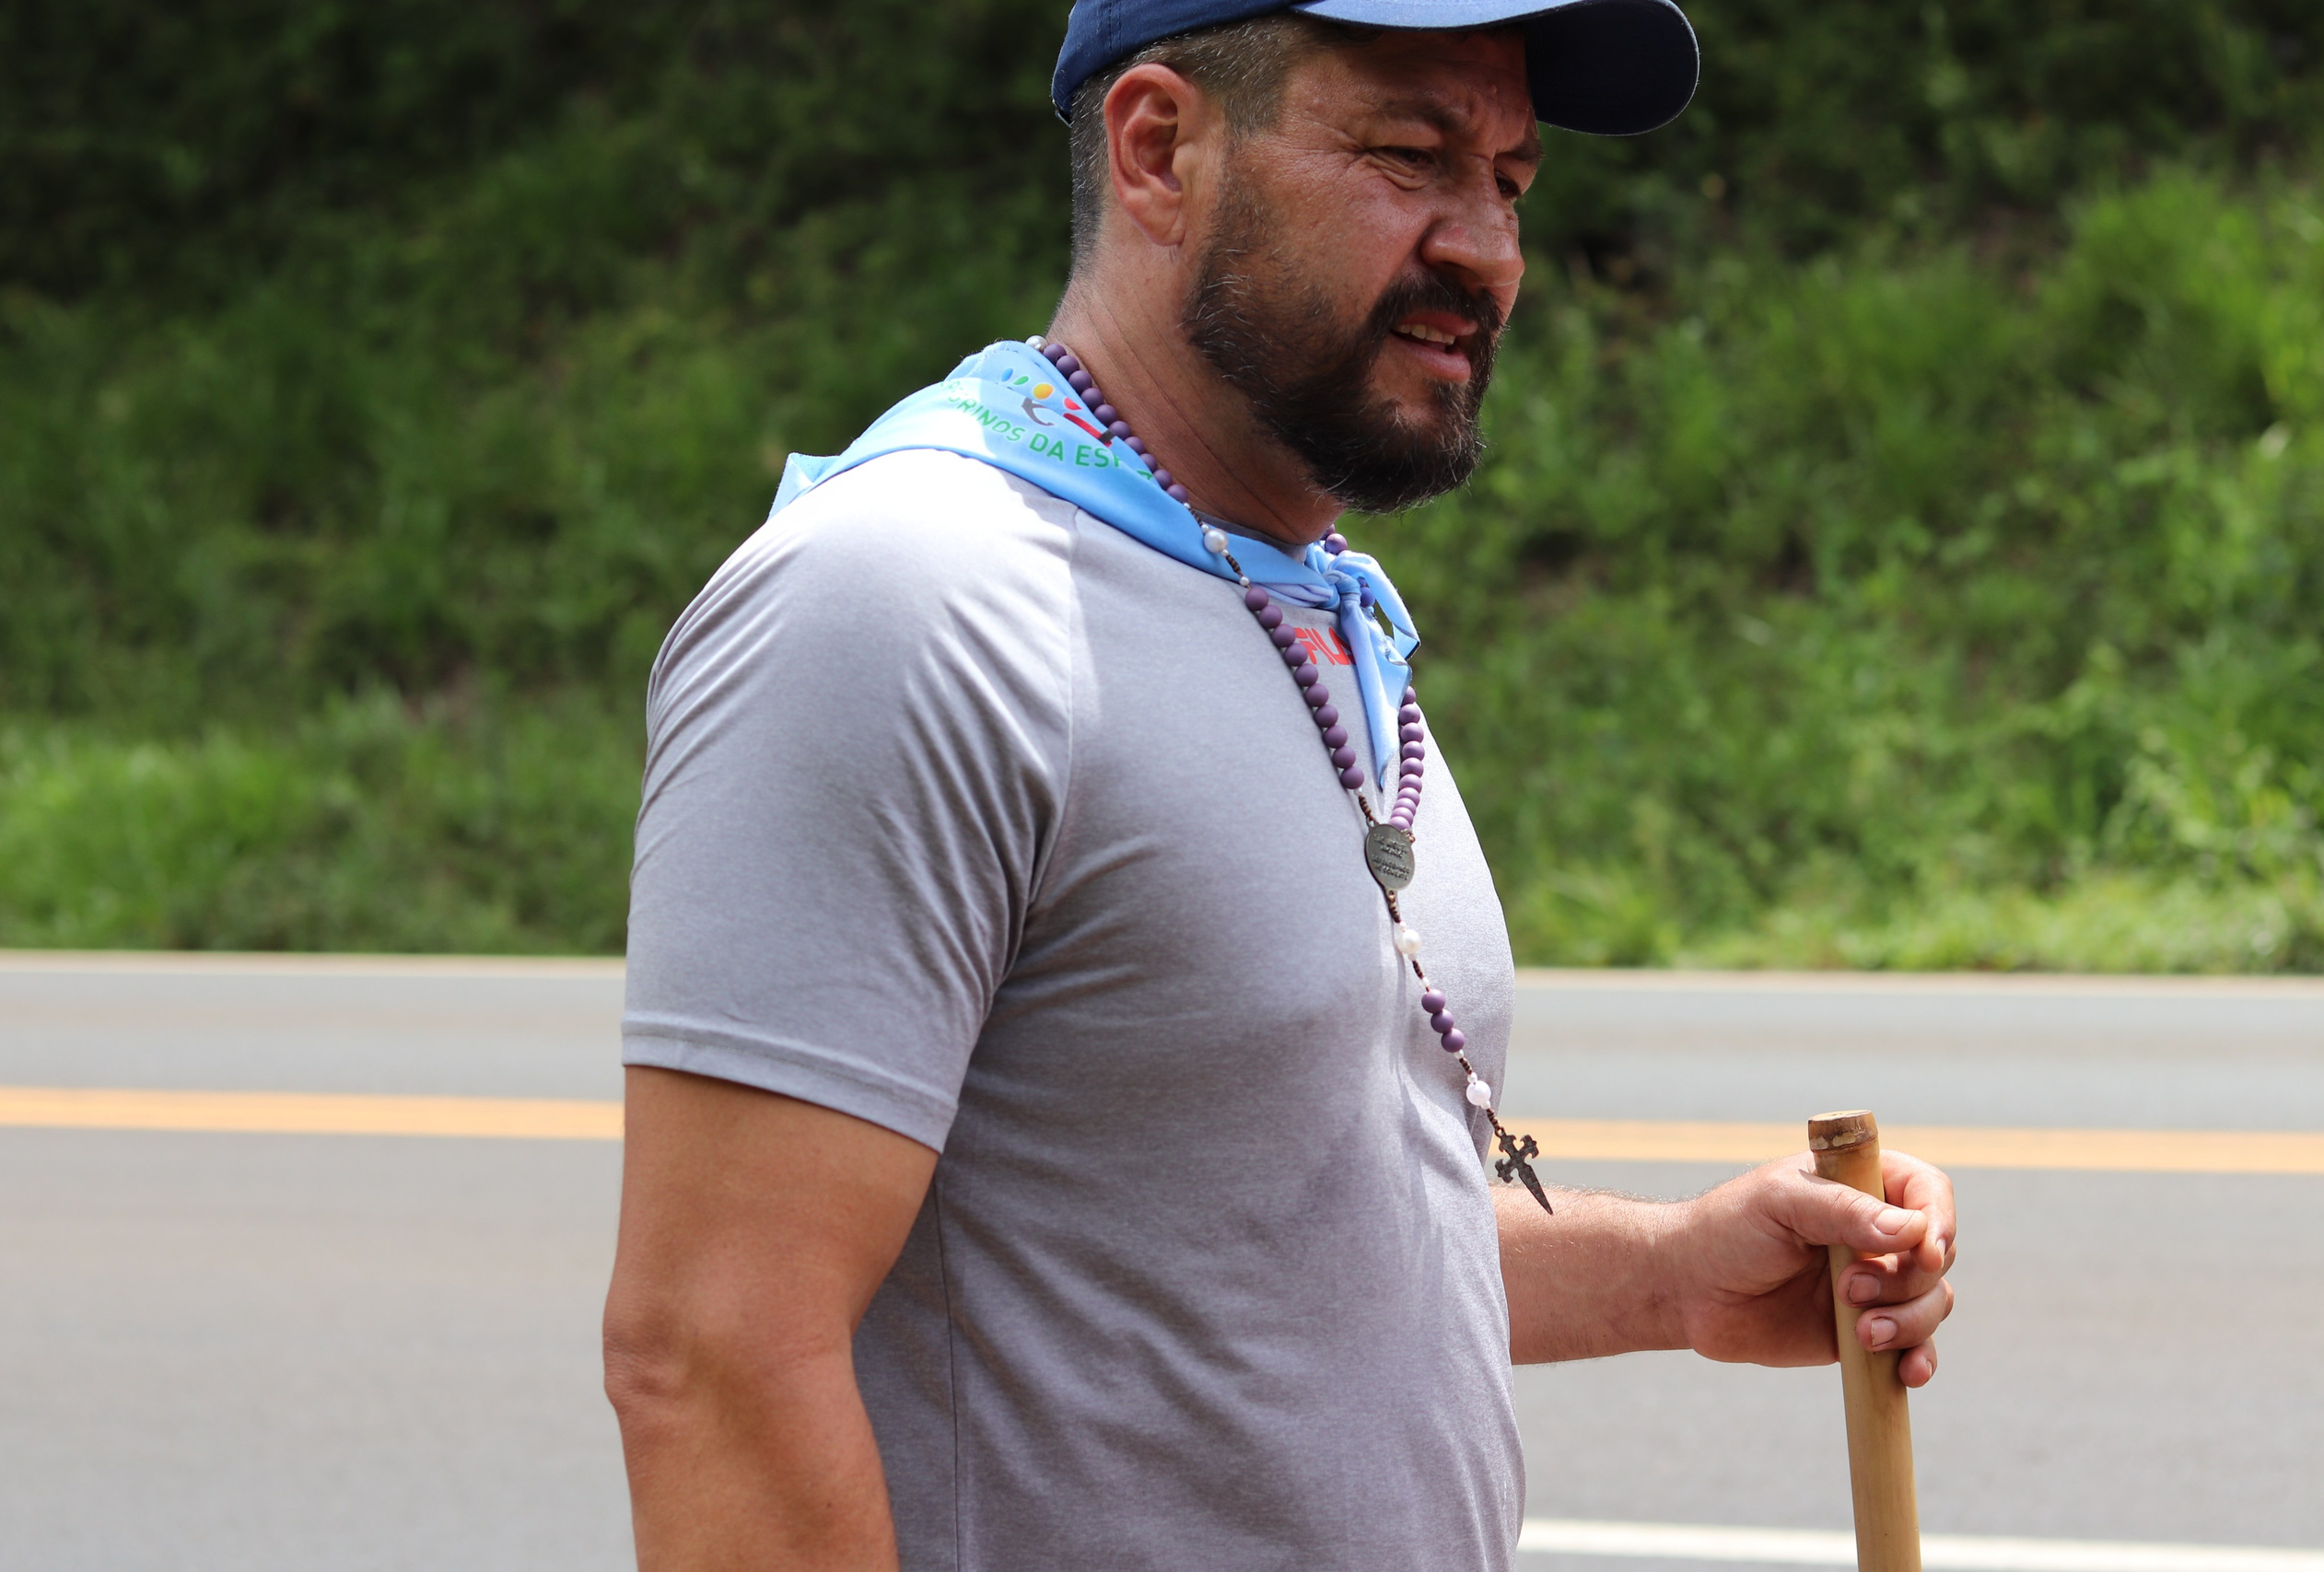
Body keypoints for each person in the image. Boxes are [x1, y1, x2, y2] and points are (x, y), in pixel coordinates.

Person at [601, 2, 1959, 1567]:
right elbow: (712, 1362)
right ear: (1161, 150)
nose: (1491, 250)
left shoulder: (1300, 602)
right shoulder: (915, 599)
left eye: (1512, 179)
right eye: (1411, 154)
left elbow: (1247, 1262)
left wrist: (1672, 1275)